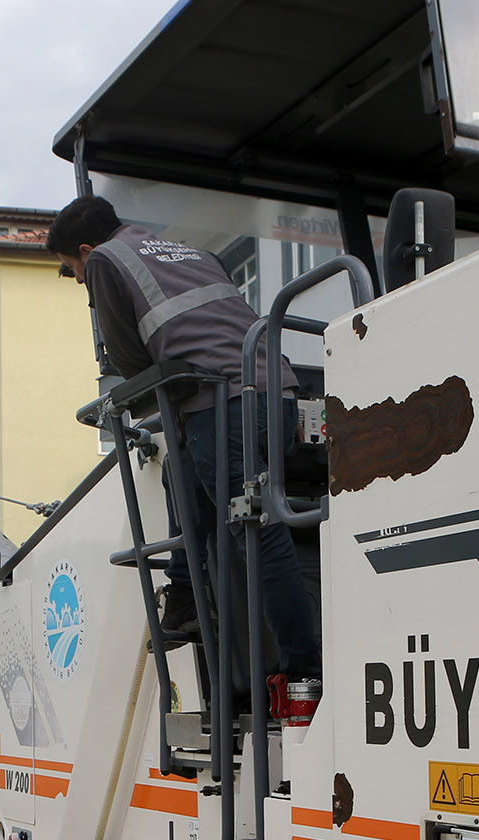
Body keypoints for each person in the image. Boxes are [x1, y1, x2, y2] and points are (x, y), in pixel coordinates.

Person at [45, 195, 321, 685]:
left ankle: (301, 669)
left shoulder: (109, 261)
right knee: (182, 474)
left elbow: (131, 361)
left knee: (256, 528)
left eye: (72, 270)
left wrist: (136, 391)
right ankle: (185, 595)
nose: (80, 280)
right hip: (275, 393)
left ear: (85, 250)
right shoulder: (186, 252)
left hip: (221, 403)